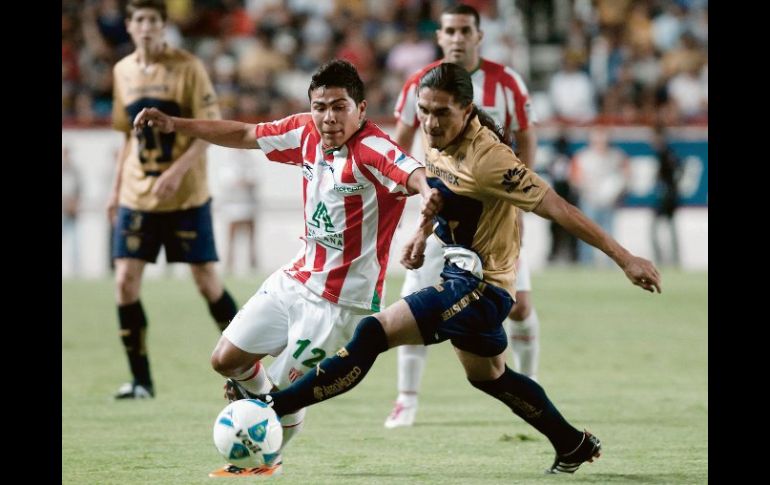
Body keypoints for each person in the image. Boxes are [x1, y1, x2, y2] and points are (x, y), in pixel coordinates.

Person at [236, 63, 661, 476]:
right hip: (459, 277)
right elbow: (439, 194)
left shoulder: (492, 160)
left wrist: (625, 257)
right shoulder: (435, 137)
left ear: (467, 111)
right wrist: (421, 235)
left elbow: (559, 207)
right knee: (490, 377)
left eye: (442, 112)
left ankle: (275, 406)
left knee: (373, 333)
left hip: (481, 286)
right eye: (424, 110)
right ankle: (573, 443)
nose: (430, 122)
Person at [133, 59, 441, 477]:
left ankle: (264, 460)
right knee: (226, 360)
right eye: (320, 106)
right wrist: (175, 124)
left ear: (362, 110)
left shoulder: (372, 148)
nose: (329, 118)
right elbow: (243, 133)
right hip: (296, 278)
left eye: (340, 107)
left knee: (285, 396)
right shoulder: (305, 132)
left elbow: (412, 172)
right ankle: (260, 404)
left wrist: (427, 193)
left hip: (340, 303)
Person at [386, 3, 542, 428]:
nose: (457, 38)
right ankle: (406, 399)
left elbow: (527, 138)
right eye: (449, 31)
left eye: (464, 31)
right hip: (440, 211)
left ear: (478, 35)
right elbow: (399, 144)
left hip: (495, 215)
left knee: (522, 308)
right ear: (439, 36)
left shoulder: (507, 82)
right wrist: (407, 198)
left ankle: (529, 384)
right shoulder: (421, 82)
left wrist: (522, 201)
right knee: (413, 302)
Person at [107, 0, 239, 400]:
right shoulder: (122, 72)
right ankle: (142, 381)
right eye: (139, 20)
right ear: (129, 27)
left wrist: (176, 171)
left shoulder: (188, 68)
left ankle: (250, 367)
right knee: (125, 282)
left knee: (206, 283)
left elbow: (210, 129)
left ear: (164, 26)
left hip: (185, 196)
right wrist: (115, 192)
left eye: (153, 20)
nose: (146, 27)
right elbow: (127, 136)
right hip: (137, 196)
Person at [570, 127, 629, 266]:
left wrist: (616, 190)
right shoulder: (583, 156)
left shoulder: (616, 156)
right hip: (590, 200)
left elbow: (626, 174)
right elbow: (574, 178)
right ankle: (587, 263)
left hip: (608, 201)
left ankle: (611, 263)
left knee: (609, 235)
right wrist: (586, 188)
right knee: (587, 234)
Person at [650, 124, 681, 266]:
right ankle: (673, 259)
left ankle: (667, 260)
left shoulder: (666, 154)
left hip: (666, 198)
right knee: (668, 229)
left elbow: (674, 173)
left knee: (656, 230)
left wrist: (668, 192)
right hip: (668, 197)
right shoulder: (667, 153)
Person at [62, 145, 82, 276]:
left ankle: (76, 269)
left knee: (74, 241)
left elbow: (79, 189)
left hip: (71, 212)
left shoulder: (74, 171)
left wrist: (74, 204)